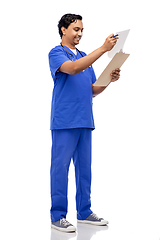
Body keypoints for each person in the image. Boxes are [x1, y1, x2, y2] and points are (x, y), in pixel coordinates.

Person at [48, 13, 120, 233]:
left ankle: (84, 212)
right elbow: (73, 68)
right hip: (65, 122)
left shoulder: (84, 56)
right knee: (60, 169)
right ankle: (58, 216)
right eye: (75, 29)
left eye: (81, 30)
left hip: (85, 121)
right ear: (63, 30)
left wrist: (109, 79)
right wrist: (103, 49)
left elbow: (92, 90)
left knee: (84, 170)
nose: (79, 33)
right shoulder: (57, 53)